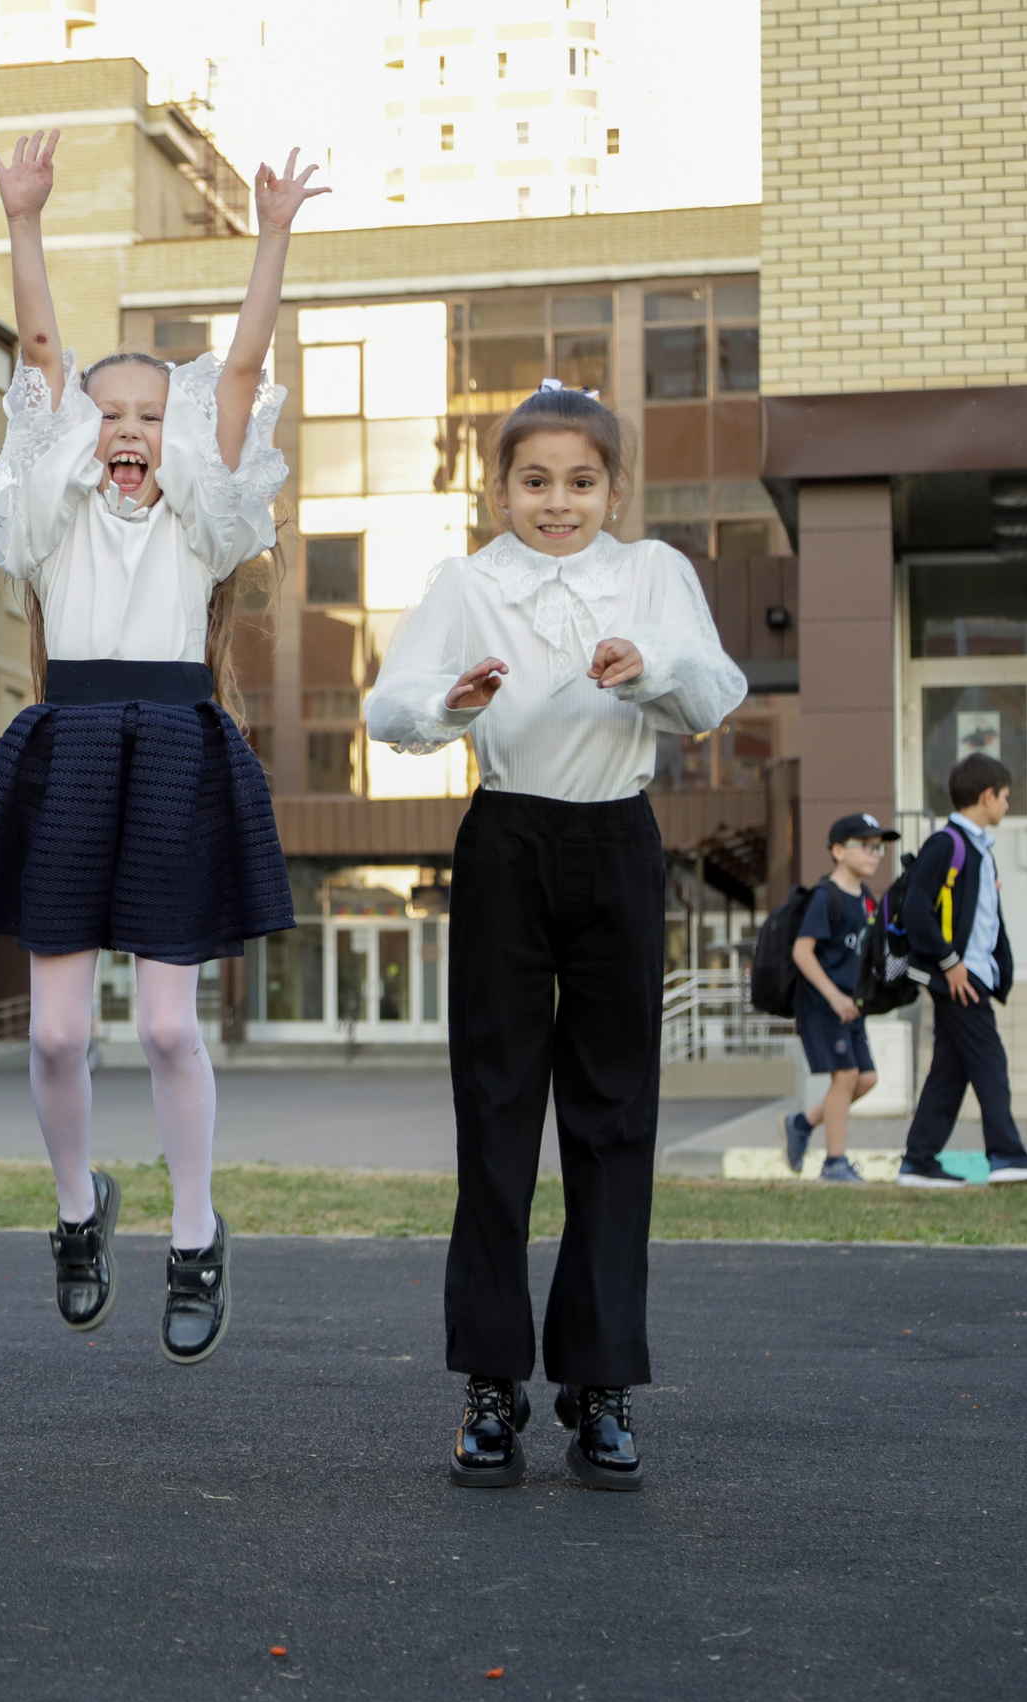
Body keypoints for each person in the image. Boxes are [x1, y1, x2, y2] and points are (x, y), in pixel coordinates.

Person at [0, 130, 305, 1363]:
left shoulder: (203, 531)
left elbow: (245, 368)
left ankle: (197, 1236)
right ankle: (76, 1211)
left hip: (171, 751)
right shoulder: (44, 525)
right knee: (55, 1033)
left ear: (180, 435)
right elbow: (41, 353)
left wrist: (268, 239)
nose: (128, 429)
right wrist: (25, 223)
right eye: (108, 413)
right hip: (68, 749)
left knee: (164, 1027)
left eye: (151, 415)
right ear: (72, 432)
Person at [364, 381, 747, 1493]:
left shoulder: (654, 573)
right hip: (505, 841)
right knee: (494, 1114)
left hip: (619, 846)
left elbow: (715, 693)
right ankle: (490, 1386)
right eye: (534, 481)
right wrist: (452, 700)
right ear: (498, 486)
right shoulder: (465, 582)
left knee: (615, 1117)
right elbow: (386, 710)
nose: (557, 502)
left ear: (613, 488)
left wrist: (653, 668)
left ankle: (602, 1382)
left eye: (581, 482)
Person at [895, 755, 1027, 1189]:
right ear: (987, 796)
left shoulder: (978, 850)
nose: (1008, 806)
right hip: (959, 979)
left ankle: (918, 1161)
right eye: (1006, 798)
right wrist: (950, 964)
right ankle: (1006, 1155)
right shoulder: (947, 844)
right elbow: (915, 907)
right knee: (990, 1062)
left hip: (974, 977)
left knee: (950, 1072)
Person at [783, 813, 893, 1182]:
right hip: (823, 1005)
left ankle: (803, 1122)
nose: (874, 854)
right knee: (845, 1075)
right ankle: (834, 1163)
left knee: (866, 1078)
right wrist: (832, 996)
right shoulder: (825, 897)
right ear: (838, 851)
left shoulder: (866, 899)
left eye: (878, 847)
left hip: (851, 1005)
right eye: (865, 846)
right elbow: (802, 952)